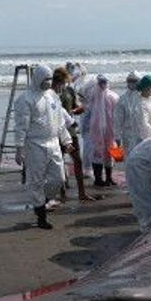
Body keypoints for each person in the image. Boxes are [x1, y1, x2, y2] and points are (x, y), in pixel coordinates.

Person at [14, 64, 72, 229]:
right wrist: (19, 149)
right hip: (34, 144)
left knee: (59, 178)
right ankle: (41, 216)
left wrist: (66, 140)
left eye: (50, 79)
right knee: (36, 180)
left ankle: (42, 200)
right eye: (45, 79)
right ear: (38, 79)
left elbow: (60, 121)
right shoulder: (25, 99)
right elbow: (21, 126)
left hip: (53, 142)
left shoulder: (53, 96)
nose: (48, 82)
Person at [52, 67, 89, 201]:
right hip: (56, 133)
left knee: (77, 161)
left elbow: (76, 107)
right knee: (58, 162)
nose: (63, 84)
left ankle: (82, 193)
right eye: (61, 82)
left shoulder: (69, 90)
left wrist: (79, 109)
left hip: (71, 131)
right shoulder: (50, 93)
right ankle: (62, 194)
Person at [114, 73, 151, 157]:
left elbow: (150, 120)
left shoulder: (147, 99)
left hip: (142, 138)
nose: (132, 83)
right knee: (130, 160)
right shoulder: (122, 100)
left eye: (134, 81)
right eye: (130, 81)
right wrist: (117, 137)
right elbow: (117, 120)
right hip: (128, 135)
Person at [85, 74, 119, 187]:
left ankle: (109, 178)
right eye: (100, 82)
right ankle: (98, 179)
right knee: (97, 153)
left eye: (104, 82)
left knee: (110, 153)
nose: (103, 85)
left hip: (109, 131)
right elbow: (87, 112)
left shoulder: (112, 97)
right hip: (96, 131)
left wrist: (118, 131)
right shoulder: (93, 96)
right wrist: (85, 127)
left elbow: (117, 114)